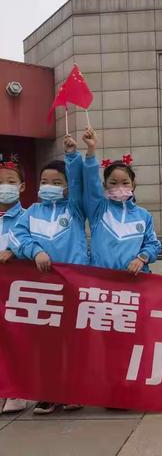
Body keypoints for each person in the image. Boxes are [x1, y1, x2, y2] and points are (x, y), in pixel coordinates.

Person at [9, 135, 87, 415]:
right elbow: (17, 239)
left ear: (67, 187)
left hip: (73, 285)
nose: (50, 187)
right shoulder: (30, 213)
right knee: (45, 344)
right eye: (45, 182)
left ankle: (74, 391)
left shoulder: (75, 210)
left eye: (57, 183)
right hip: (42, 290)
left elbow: (82, 186)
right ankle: (48, 393)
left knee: (73, 342)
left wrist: (73, 155)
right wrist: (36, 251)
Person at [81, 128, 160, 273]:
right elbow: (90, 181)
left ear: (133, 185)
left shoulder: (144, 216)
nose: (119, 187)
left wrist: (141, 258)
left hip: (134, 284)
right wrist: (91, 150)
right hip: (102, 282)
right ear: (104, 186)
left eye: (125, 183)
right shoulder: (99, 209)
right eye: (113, 183)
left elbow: (153, 245)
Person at [0, 160, 27, 414]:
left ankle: (16, 392)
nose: (4, 186)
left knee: (15, 342)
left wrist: (14, 250)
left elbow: (34, 245)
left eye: (10, 181)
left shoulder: (28, 217)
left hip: (15, 292)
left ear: (21, 187)